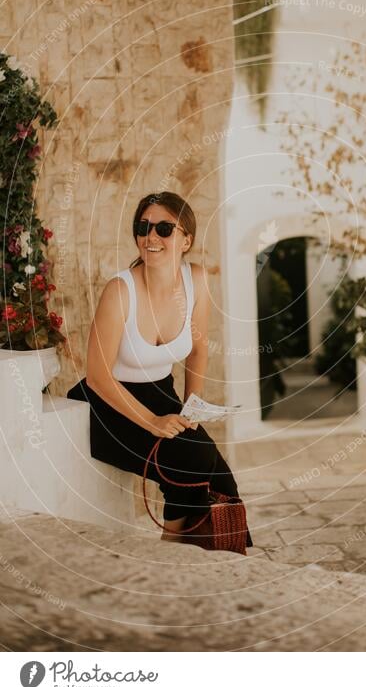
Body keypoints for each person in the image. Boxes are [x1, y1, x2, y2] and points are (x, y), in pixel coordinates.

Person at [67, 191, 252, 548]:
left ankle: (221, 554)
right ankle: (171, 548)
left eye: (164, 228)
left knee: (218, 473)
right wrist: (153, 422)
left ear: (186, 239)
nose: (151, 237)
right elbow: (98, 376)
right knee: (192, 458)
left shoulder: (195, 279)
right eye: (144, 227)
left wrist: (191, 405)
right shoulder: (120, 291)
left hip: (159, 392)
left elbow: (197, 349)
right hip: (107, 403)